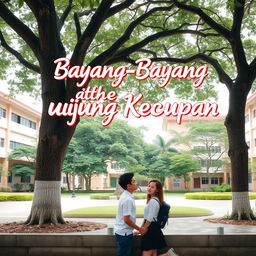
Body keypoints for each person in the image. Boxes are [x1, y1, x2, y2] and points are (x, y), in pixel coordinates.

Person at [140, 179, 178, 256]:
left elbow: (150, 218)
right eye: (149, 186)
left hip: (150, 230)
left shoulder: (153, 201)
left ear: (157, 190)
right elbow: (146, 217)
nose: (149, 188)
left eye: (152, 187)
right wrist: (140, 229)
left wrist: (144, 229)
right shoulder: (153, 200)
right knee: (153, 253)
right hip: (153, 230)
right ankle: (168, 254)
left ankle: (168, 254)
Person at [114, 172, 147, 256]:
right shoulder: (127, 199)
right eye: (133, 181)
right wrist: (139, 229)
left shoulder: (126, 196)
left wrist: (132, 231)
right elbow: (126, 220)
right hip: (124, 235)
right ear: (128, 186)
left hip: (124, 232)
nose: (135, 183)